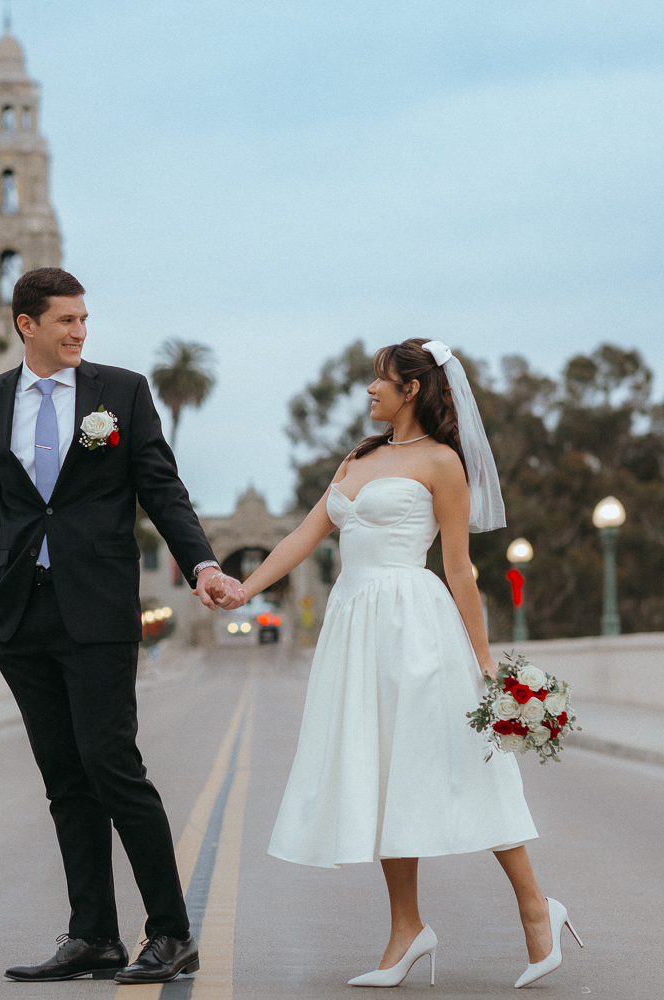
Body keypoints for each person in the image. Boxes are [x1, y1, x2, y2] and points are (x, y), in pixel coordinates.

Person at [216, 338, 583, 989]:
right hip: (354, 625)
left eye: (380, 381)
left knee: (461, 763)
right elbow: (306, 533)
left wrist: (483, 659)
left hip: (416, 624)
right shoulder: (357, 458)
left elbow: (459, 568)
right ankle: (407, 930)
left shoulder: (444, 462)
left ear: (412, 389)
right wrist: (244, 589)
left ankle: (537, 909)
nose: (369, 391)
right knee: (383, 771)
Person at [0, 267, 235, 984]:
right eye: (66, 321)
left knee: (113, 766)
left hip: (99, 613)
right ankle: (94, 938)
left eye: (85, 319)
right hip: (22, 618)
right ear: (27, 325)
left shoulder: (121, 393)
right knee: (65, 781)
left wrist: (202, 565)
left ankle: (171, 934)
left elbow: (161, 488)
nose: (81, 331)